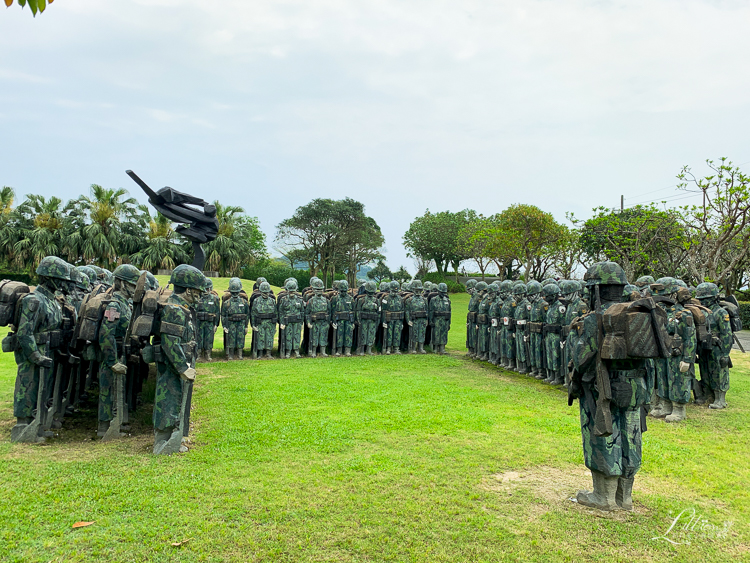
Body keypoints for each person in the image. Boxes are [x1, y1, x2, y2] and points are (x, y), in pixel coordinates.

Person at [569, 261, 656, 511]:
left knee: (603, 437)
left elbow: (582, 358)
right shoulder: (639, 314)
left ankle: (604, 497)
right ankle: (624, 498)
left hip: (602, 387)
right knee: (631, 437)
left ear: (595, 289)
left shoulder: (594, 319)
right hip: (636, 387)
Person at [9, 256, 65, 442]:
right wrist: (35, 355)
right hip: (33, 351)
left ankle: (37, 425)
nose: (61, 282)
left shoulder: (52, 300)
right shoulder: (34, 300)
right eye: (58, 278)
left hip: (47, 349)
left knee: (42, 388)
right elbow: (25, 332)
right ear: (48, 277)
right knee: (27, 386)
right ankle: (22, 427)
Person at [153, 264, 204, 455]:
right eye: (197, 290)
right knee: (168, 400)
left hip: (181, 363)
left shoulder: (183, 308)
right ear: (189, 290)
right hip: (173, 366)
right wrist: (182, 367)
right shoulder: (174, 309)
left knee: (175, 399)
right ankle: (162, 444)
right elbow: (170, 343)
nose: (200, 294)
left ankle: (172, 438)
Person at [97, 264, 140, 438]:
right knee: (107, 389)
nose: (134, 288)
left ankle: (115, 423)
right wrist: (112, 361)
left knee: (116, 390)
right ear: (121, 283)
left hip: (121, 351)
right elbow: (106, 334)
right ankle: (104, 427)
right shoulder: (114, 305)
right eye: (131, 285)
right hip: (112, 353)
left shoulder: (125, 304)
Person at [648, 278, 696, 422]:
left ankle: (678, 409)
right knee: (663, 378)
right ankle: (666, 405)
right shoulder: (660, 312)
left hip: (677, 353)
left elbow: (690, 338)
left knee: (678, 380)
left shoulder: (683, 314)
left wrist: (687, 359)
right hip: (663, 352)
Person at [695, 282, 733, 409]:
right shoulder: (702, 312)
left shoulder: (721, 313)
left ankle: (720, 399)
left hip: (717, 348)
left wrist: (725, 354)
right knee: (704, 370)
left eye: (705, 299)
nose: (703, 302)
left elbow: (727, 334)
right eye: (701, 300)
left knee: (719, 372)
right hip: (704, 347)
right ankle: (708, 394)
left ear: (713, 298)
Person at [221, 278, 250, 360]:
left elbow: (247, 314)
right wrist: (224, 326)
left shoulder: (244, 302)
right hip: (231, 323)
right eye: (233, 292)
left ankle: (240, 354)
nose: (235, 294)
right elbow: (223, 315)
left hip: (241, 323)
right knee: (231, 338)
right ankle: (231, 355)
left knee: (240, 338)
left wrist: (246, 326)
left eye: (237, 292)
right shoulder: (226, 303)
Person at [543, 283, 566, 385]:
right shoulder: (550, 306)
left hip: (556, 335)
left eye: (548, 296)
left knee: (556, 356)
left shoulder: (560, 307)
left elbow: (562, 322)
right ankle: (551, 374)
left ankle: (558, 376)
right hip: (549, 335)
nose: (546, 298)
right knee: (549, 355)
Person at [277, 279, 305, 358]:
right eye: (290, 291)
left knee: (297, 336)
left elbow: (302, 311)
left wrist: (301, 322)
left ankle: (296, 351)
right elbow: (281, 312)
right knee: (288, 336)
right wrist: (282, 322)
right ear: (287, 290)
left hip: (297, 321)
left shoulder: (299, 300)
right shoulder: (283, 300)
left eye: (293, 291)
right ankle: (288, 352)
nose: (292, 293)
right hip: (287, 321)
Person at [195, 278, 220, 362]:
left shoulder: (215, 299)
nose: (206, 290)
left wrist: (216, 324)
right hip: (199, 322)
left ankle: (208, 354)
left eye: (208, 288)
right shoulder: (197, 298)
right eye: (204, 288)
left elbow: (217, 312)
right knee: (199, 338)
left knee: (209, 338)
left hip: (210, 323)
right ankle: (198, 354)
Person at [251, 282, 277, 359]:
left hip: (270, 323)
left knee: (269, 338)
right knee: (260, 338)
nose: (265, 294)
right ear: (260, 291)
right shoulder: (256, 301)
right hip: (260, 322)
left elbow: (275, 313)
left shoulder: (272, 301)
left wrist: (275, 325)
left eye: (267, 292)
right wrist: (253, 325)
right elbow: (253, 313)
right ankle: (260, 353)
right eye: (263, 292)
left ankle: (268, 353)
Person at [306, 278, 331, 357]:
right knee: (314, 336)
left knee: (323, 336)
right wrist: (308, 322)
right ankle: (313, 352)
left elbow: (329, 312)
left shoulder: (326, 300)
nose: (319, 291)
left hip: (324, 322)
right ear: (313, 289)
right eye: (317, 289)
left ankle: (323, 351)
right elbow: (307, 313)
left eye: (320, 289)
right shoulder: (311, 301)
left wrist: (328, 322)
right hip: (315, 322)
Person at [330, 280, 356, 356]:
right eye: (342, 291)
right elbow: (333, 310)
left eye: (345, 291)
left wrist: (353, 322)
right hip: (339, 320)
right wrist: (333, 321)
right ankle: (339, 350)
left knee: (348, 335)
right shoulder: (335, 298)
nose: (343, 293)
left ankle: (347, 350)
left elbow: (353, 310)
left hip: (348, 320)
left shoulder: (351, 299)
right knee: (339, 335)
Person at [356, 281, 380, 355]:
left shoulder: (377, 300)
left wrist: (377, 322)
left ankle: (369, 350)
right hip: (364, 320)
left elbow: (379, 312)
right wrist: (358, 320)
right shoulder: (361, 300)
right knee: (363, 334)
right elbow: (358, 311)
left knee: (371, 334)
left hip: (372, 320)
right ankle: (362, 350)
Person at [380, 281, 404, 355]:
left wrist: (402, 322)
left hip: (398, 320)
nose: (395, 293)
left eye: (396, 291)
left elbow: (402, 310)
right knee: (389, 334)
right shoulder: (385, 298)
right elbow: (383, 310)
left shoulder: (400, 299)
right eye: (393, 291)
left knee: (397, 334)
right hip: (389, 319)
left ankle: (396, 348)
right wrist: (383, 321)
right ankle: (388, 348)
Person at [406, 279, 429, 354]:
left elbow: (427, 310)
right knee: (414, 334)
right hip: (414, 319)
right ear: (413, 289)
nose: (418, 291)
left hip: (422, 319)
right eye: (416, 290)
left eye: (419, 289)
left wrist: (426, 319)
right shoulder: (409, 300)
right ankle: (413, 348)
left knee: (421, 334)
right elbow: (407, 311)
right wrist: (408, 320)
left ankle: (421, 348)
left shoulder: (424, 299)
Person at [512, 283, 530, 374]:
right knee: (519, 347)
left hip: (524, 330)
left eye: (517, 295)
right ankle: (520, 365)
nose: (515, 297)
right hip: (518, 329)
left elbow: (528, 318)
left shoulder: (526, 304)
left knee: (523, 348)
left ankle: (525, 366)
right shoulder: (518, 304)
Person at [429, 283, 451, 354]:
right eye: (441, 292)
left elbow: (449, 312)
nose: (443, 294)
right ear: (438, 291)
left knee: (444, 334)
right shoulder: (433, 300)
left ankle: (442, 348)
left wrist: (449, 323)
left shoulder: (447, 300)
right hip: (437, 319)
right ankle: (435, 348)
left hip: (445, 319)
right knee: (436, 333)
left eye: (444, 292)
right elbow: (431, 311)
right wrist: (431, 320)